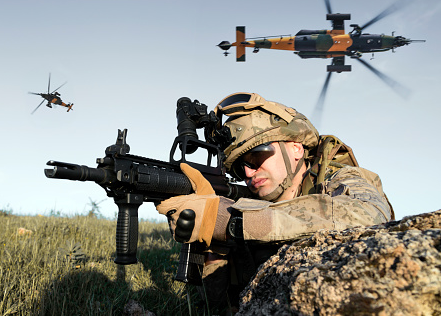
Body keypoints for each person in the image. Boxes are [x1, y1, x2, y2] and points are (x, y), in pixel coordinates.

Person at [157, 92, 393, 313]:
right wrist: (213, 241)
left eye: (257, 156)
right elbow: (214, 307)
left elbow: (370, 216)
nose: (249, 173)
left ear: (296, 148)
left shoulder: (340, 179)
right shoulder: (247, 203)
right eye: (241, 167)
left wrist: (232, 221)